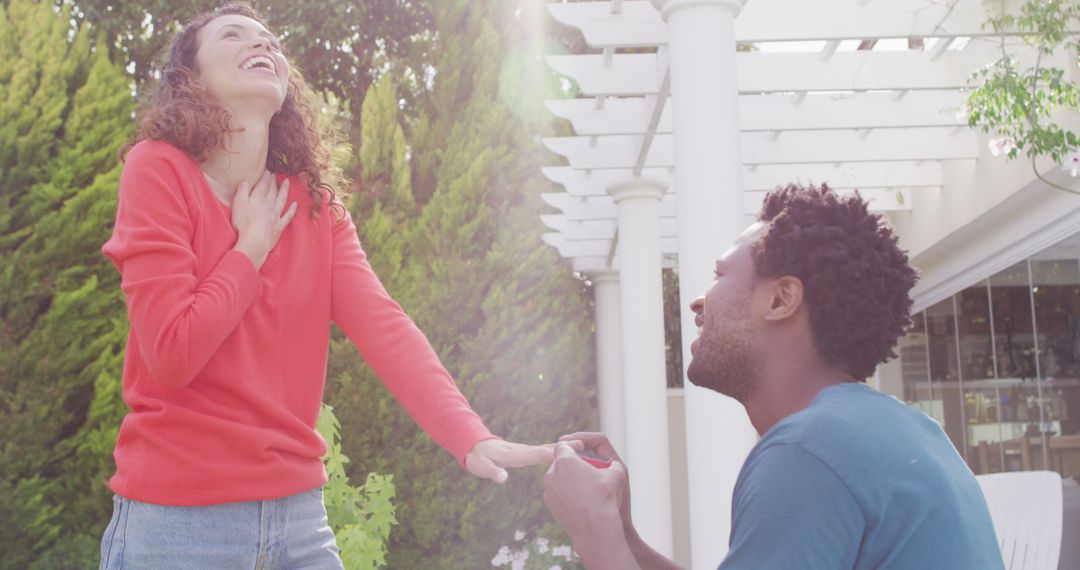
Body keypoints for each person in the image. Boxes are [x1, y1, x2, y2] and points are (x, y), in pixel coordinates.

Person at [97, 3, 552, 568]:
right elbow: (170, 354)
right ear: (190, 79)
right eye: (233, 36)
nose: (261, 45)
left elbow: (385, 327)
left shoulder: (315, 209)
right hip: (180, 529)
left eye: (270, 41)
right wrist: (249, 251)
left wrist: (469, 435)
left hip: (299, 526)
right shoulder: (157, 169)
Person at [543, 183, 1006, 569]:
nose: (698, 304)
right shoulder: (889, 433)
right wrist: (624, 536)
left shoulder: (809, 450)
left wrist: (594, 535)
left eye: (720, 275)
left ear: (781, 300)